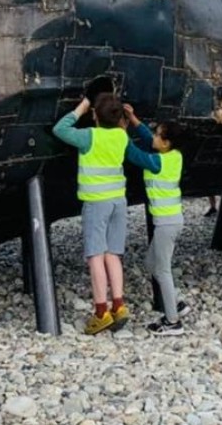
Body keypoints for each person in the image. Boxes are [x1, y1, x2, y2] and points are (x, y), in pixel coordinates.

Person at [52, 91, 162, 335]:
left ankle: (101, 312)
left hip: (96, 204)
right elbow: (138, 153)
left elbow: (60, 129)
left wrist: (81, 107)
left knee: (95, 256)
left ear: (95, 115)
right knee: (113, 254)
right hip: (118, 202)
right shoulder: (121, 138)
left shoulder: (89, 136)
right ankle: (119, 305)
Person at [123, 105, 189, 336]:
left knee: (162, 271)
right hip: (172, 221)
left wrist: (118, 133)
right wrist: (132, 118)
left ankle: (172, 322)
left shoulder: (158, 162)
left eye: (158, 134)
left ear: (167, 142)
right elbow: (147, 139)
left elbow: (133, 154)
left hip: (166, 224)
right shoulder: (172, 156)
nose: (154, 137)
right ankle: (177, 303)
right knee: (151, 265)